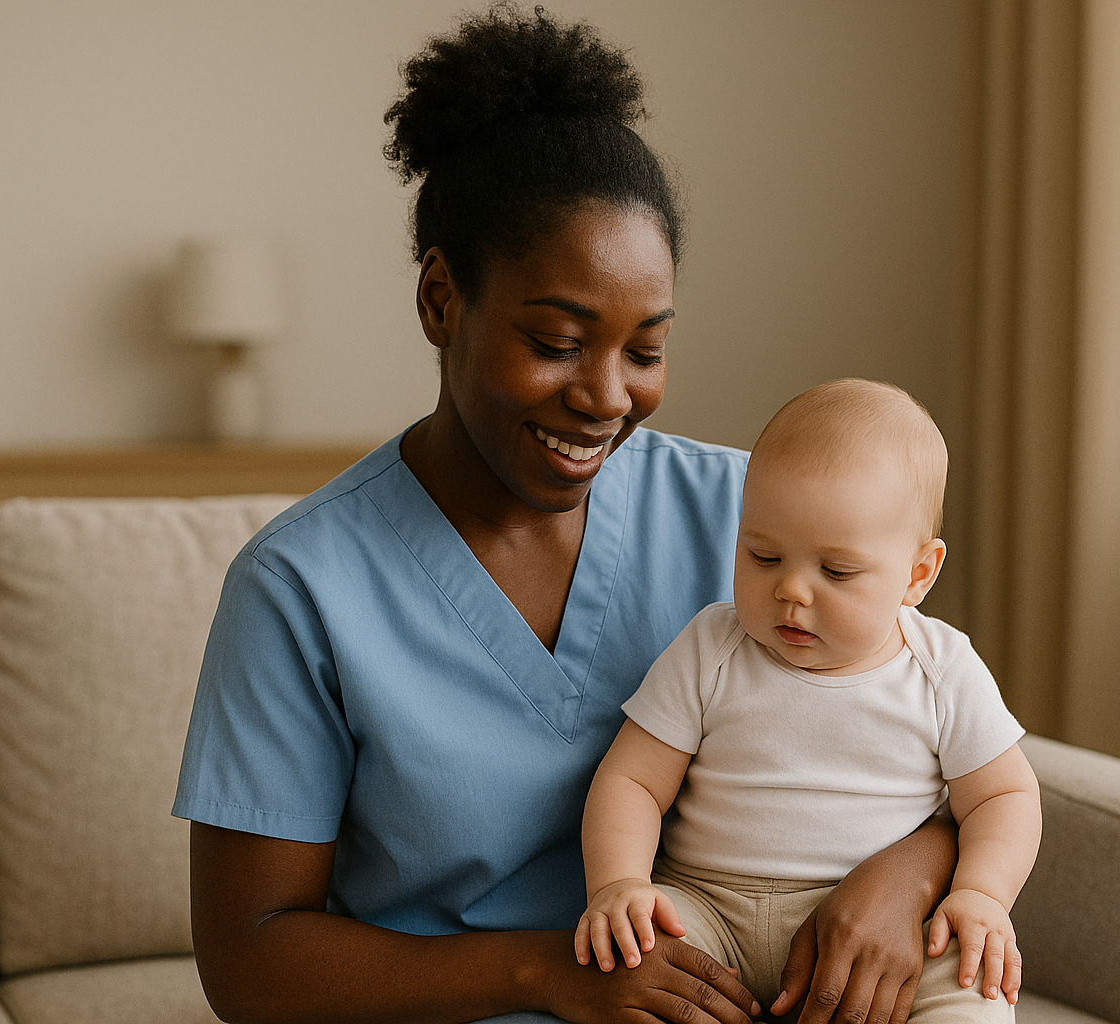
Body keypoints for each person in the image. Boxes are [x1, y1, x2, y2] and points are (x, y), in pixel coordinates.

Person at [172, 9, 962, 1024]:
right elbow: (252, 961)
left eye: (644, 349)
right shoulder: (301, 588)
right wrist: (546, 970)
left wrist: (903, 878)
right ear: (440, 300)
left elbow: (949, 746)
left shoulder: (748, 521)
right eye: (555, 338)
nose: (604, 396)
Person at [574, 380, 1042, 1022]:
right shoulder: (713, 645)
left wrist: (982, 894)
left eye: (837, 572)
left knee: (973, 998)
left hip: (878, 928)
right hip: (710, 910)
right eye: (762, 556)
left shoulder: (942, 668)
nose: (791, 591)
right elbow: (632, 779)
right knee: (636, 981)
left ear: (918, 575)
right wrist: (619, 884)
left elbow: (1003, 796)